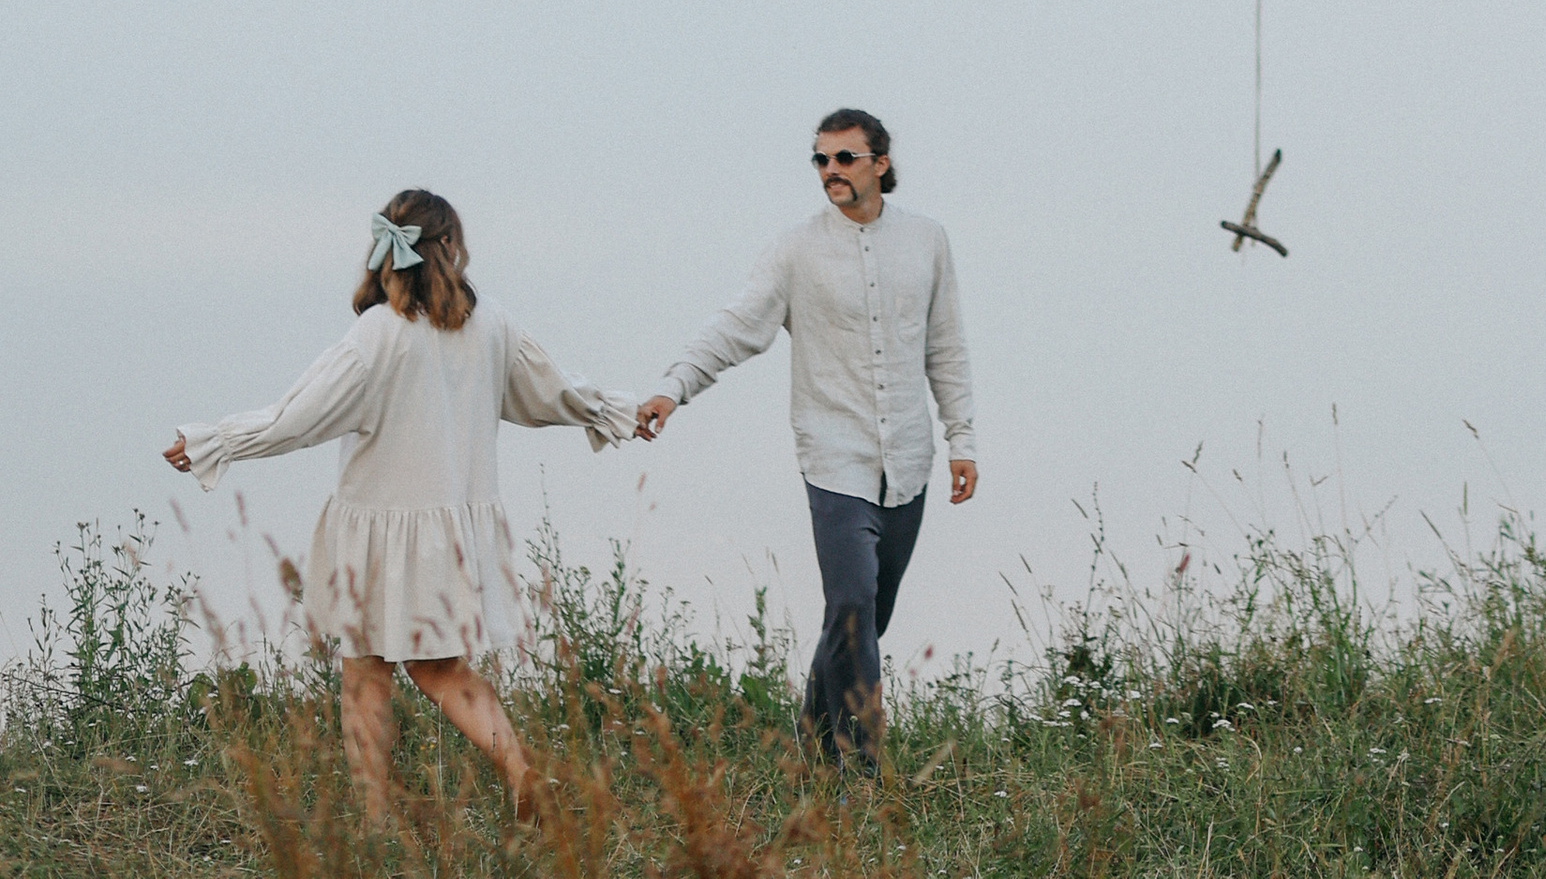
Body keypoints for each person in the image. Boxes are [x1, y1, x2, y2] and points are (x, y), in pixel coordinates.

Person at [164, 185, 635, 825]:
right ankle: (522, 772)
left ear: (386, 252)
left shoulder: (377, 335)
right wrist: (614, 412)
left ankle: (374, 817)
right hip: (452, 531)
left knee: (365, 672)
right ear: (452, 247)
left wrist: (216, 441)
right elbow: (552, 392)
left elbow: (297, 417)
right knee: (441, 668)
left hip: (376, 529)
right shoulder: (492, 325)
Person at [634, 105, 975, 772]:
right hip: (833, 457)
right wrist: (674, 387)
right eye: (820, 159)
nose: (830, 170)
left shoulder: (928, 241)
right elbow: (736, 326)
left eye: (845, 158)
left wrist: (962, 440)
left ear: (880, 163)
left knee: (865, 619)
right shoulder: (796, 251)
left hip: (909, 458)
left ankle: (813, 746)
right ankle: (859, 768)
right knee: (850, 605)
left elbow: (947, 347)